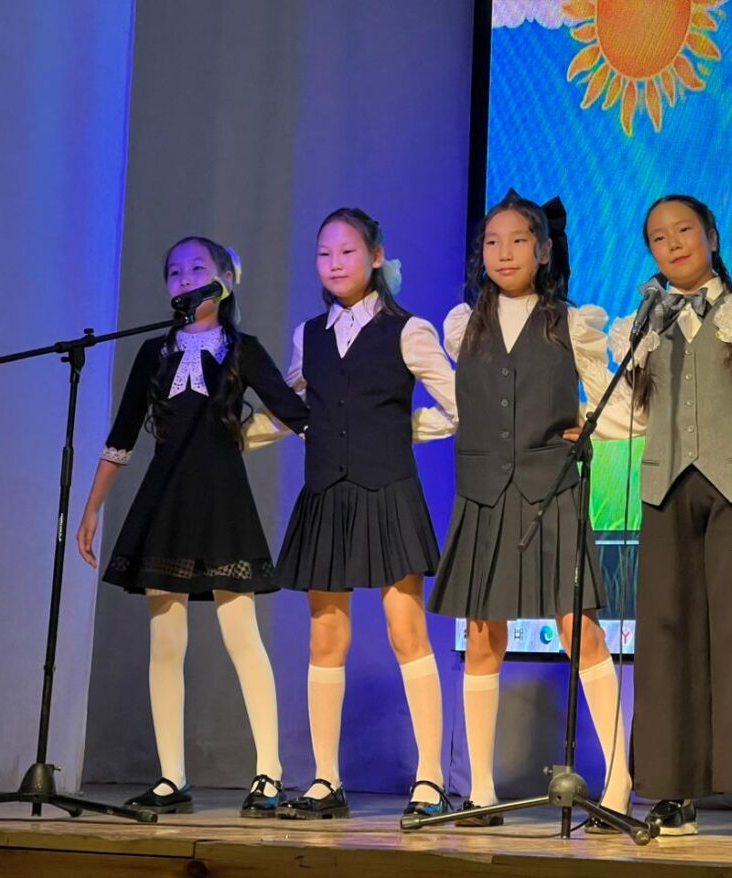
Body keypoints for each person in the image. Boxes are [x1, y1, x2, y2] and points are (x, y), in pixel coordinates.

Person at [76, 236, 308, 817]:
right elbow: (122, 436)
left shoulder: (242, 349)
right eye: (174, 272)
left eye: (197, 268)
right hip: (166, 502)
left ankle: (269, 772)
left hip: (223, 501)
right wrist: (92, 507)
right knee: (166, 642)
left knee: (242, 637)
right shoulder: (153, 351)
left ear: (225, 279)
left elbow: (293, 410)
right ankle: (171, 776)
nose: (184, 279)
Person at [429, 191, 632, 831]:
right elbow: (461, 404)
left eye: (518, 240)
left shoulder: (570, 322)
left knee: (580, 630)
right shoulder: (463, 324)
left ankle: (619, 782)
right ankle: (480, 792)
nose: (504, 253)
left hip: (552, 490)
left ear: (543, 251)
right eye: (493, 242)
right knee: (483, 637)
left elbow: (613, 401)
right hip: (484, 492)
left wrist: (586, 427)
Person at [607, 194, 732, 840]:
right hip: (665, 490)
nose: (673, 244)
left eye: (685, 230)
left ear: (712, 236)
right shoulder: (644, 324)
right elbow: (633, 412)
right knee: (666, 636)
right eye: (659, 237)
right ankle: (672, 790)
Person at [270, 208, 457, 821]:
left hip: (388, 489)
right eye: (324, 254)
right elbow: (292, 407)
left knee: (407, 632)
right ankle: (326, 779)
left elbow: (458, 405)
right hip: (328, 492)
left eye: (347, 252)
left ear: (376, 257)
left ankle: (431, 779)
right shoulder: (308, 335)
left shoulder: (408, 330)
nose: (334, 264)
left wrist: (404, 430)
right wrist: (234, 435)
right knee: (325, 633)